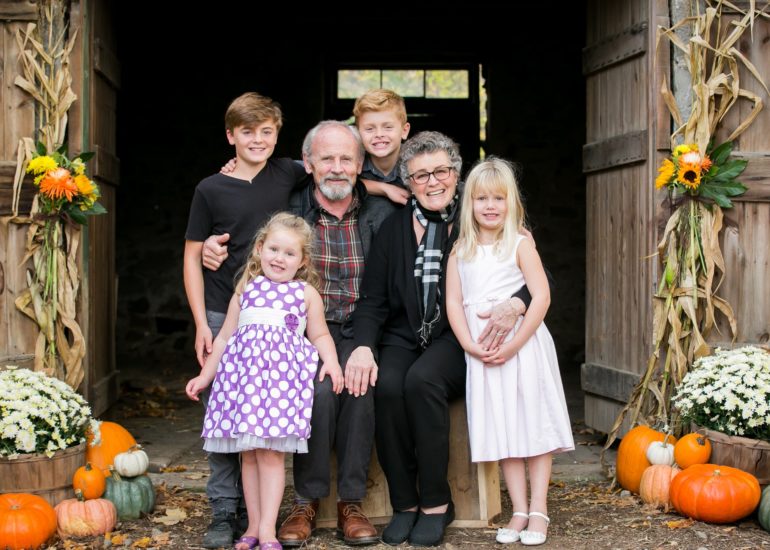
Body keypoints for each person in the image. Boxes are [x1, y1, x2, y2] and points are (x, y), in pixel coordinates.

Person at [203, 120, 396, 547]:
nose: (337, 167)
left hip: (359, 326)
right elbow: (245, 239)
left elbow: (386, 289)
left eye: (347, 158)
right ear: (307, 163)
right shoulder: (288, 208)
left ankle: (350, 501)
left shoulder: (382, 215)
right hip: (302, 334)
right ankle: (306, 501)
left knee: (361, 390)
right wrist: (205, 244)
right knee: (321, 393)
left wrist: (366, 343)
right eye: (326, 158)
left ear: (361, 165)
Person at [345, 131, 530, 547]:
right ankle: (405, 503)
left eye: (441, 171)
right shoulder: (392, 230)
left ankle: (434, 503)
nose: (433, 182)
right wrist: (362, 346)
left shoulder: (481, 217)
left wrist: (515, 305)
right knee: (387, 384)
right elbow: (373, 299)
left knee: (421, 381)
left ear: (456, 173)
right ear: (408, 183)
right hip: (402, 335)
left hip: (458, 336)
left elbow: (537, 277)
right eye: (421, 175)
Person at [184, 92, 308, 547]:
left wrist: (389, 187)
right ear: (230, 136)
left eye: (267, 131)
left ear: (277, 133)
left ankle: (263, 519)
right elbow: (193, 254)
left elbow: (341, 171)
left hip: (276, 318)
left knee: (265, 422)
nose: (258, 140)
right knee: (224, 415)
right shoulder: (212, 187)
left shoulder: (289, 171)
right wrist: (201, 322)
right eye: (247, 132)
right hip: (224, 310)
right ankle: (224, 511)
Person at [186, 212, 344, 550]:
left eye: (290, 253)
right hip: (244, 390)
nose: (279, 258)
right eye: (274, 249)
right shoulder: (246, 290)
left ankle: (270, 529)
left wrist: (331, 362)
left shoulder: (304, 294)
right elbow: (225, 338)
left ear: (302, 261)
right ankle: (253, 527)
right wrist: (204, 376)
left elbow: (319, 334)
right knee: (250, 457)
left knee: (271, 456)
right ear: (259, 248)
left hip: (279, 392)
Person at [446, 157, 574, 546]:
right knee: (504, 428)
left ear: (511, 202)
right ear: (469, 203)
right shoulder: (460, 250)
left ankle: (539, 510)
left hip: (524, 349)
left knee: (531, 424)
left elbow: (541, 296)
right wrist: (470, 344)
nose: (489, 206)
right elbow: (454, 302)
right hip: (482, 355)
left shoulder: (520, 244)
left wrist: (515, 344)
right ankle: (517, 508)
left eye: (498, 199)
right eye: (481, 198)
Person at [354, 88, 412, 205]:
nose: (379, 134)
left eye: (388, 127)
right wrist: (384, 189)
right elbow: (337, 181)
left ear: (404, 131)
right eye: (369, 129)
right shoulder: (353, 160)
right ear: (358, 133)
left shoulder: (416, 160)